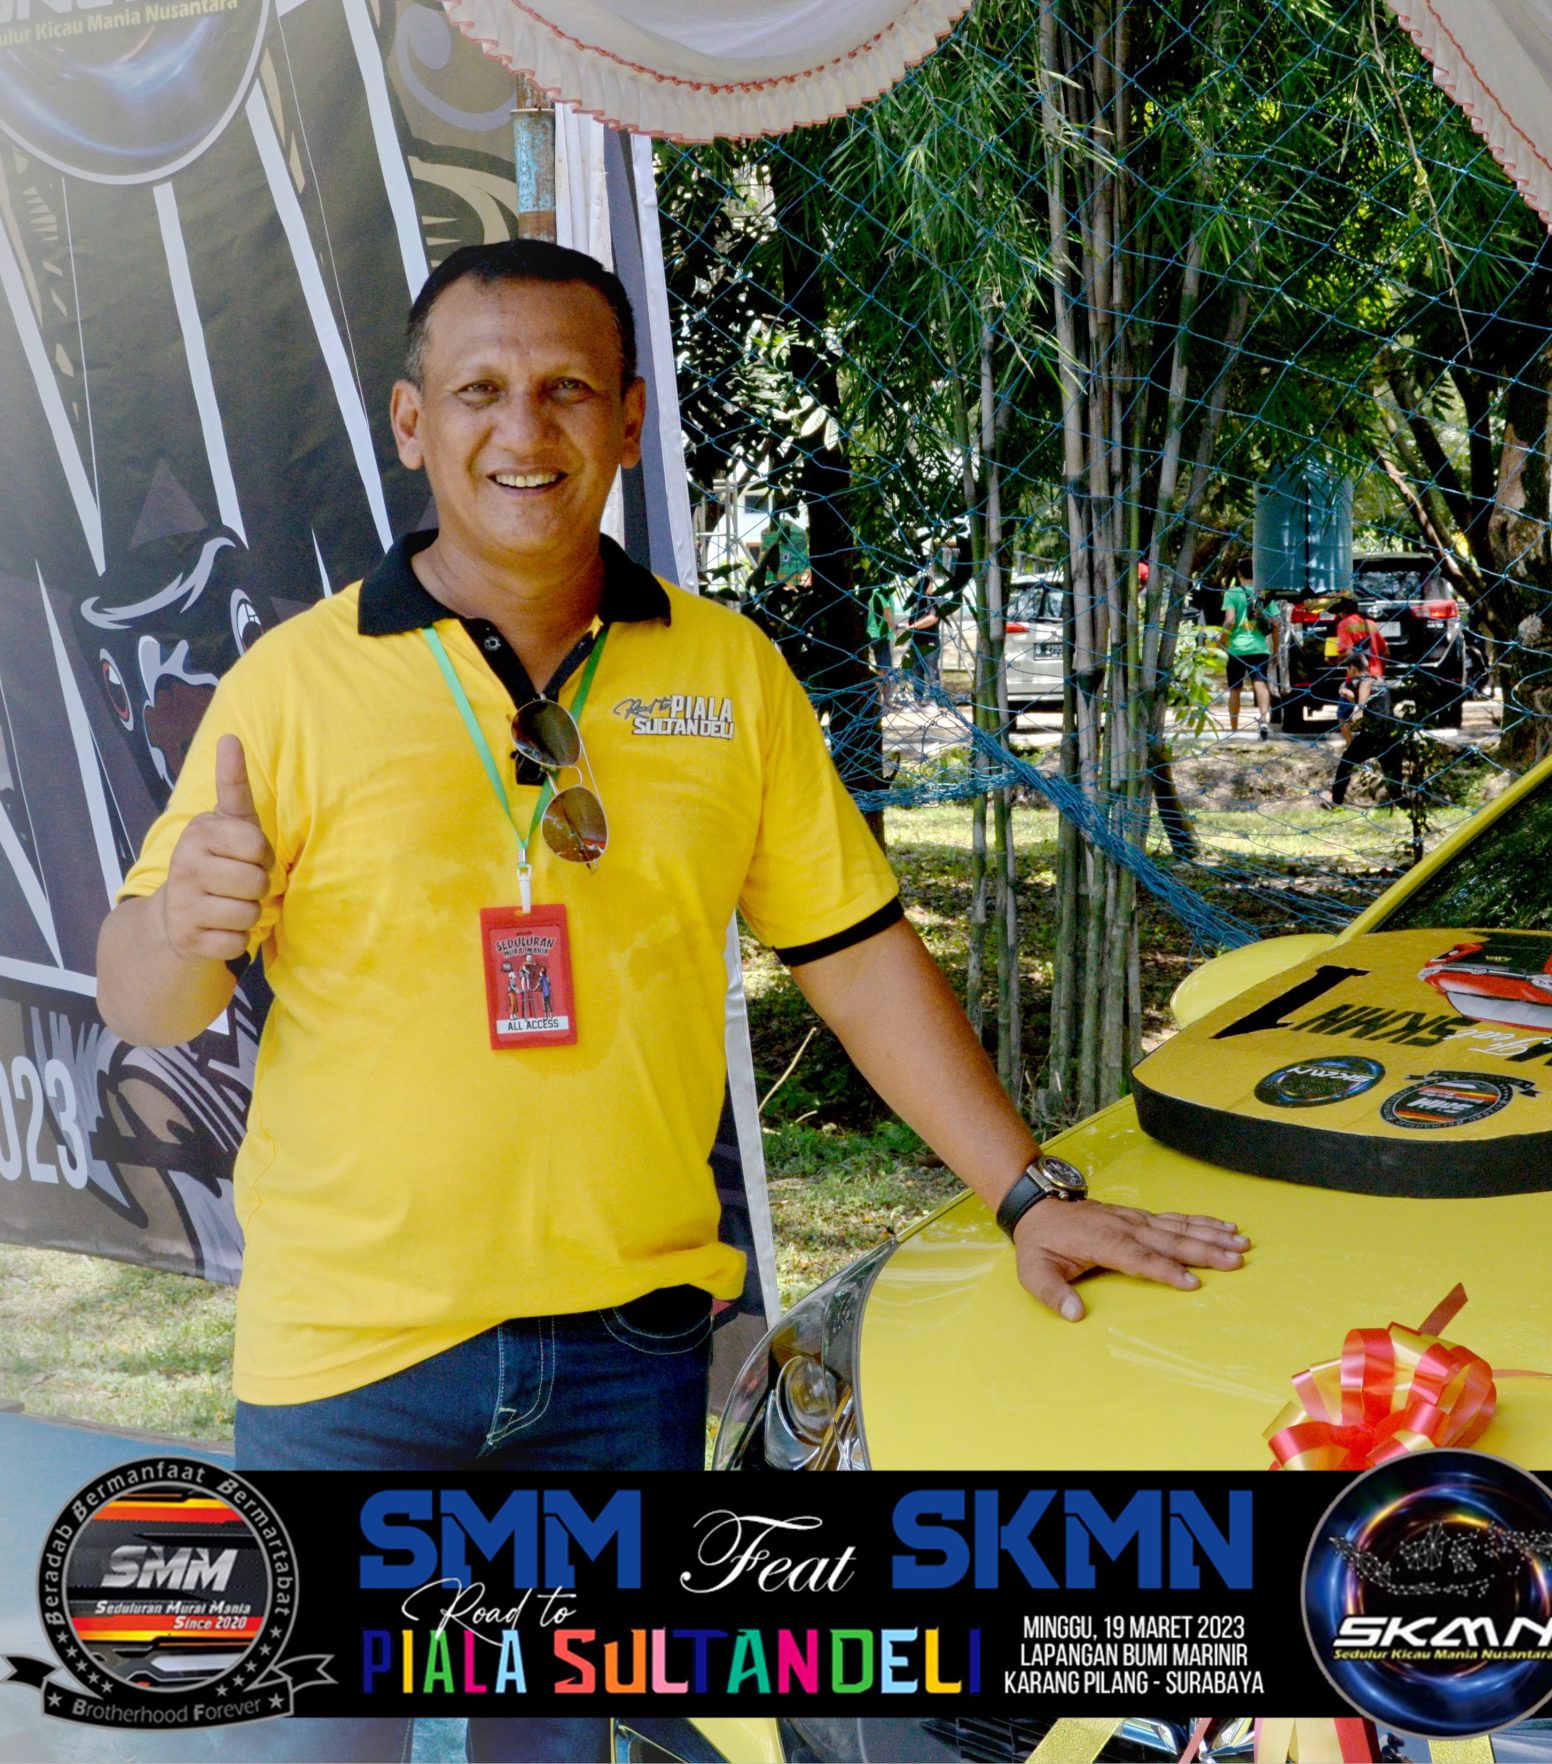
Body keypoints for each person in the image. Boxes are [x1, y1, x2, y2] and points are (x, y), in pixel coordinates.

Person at [94, 240, 1248, 1759]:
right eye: (479, 392)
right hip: (353, 1358)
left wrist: (1026, 1193)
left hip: (621, 1360)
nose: (525, 430)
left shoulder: (729, 673)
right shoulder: (294, 686)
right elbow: (148, 1002)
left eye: (567, 390)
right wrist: (184, 921)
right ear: (412, 425)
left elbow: (854, 954)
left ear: (630, 419)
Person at [1327, 598, 1393, 805]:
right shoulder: (1371, 624)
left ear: (1344, 612)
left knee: (1342, 714)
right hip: (1378, 678)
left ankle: (1352, 749)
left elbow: (1347, 652)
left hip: (1359, 677)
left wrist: (1335, 662)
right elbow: (1385, 651)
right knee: (1388, 751)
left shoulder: (1344, 625)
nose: (1337, 616)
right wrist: (1378, 669)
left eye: (1339, 612)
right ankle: (1397, 795)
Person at [1220, 574, 1277, 735]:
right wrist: (1276, 650)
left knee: (1235, 689)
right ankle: (1264, 720)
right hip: (1259, 648)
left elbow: (1230, 621)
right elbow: (1275, 624)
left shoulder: (1232, 593)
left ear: (1238, 574)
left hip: (1237, 649)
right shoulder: (1264, 594)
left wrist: (1222, 639)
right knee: (1260, 684)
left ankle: (1234, 729)